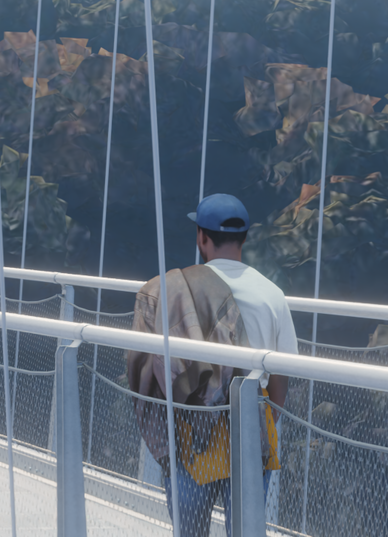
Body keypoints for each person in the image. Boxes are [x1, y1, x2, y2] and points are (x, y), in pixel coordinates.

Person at [128, 194, 289, 537]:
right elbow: (280, 377)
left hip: (190, 430)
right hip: (250, 426)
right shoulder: (272, 294)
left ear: (201, 237)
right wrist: (264, 421)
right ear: (245, 237)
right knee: (244, 530)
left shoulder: (175, 289)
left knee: (189, 531)